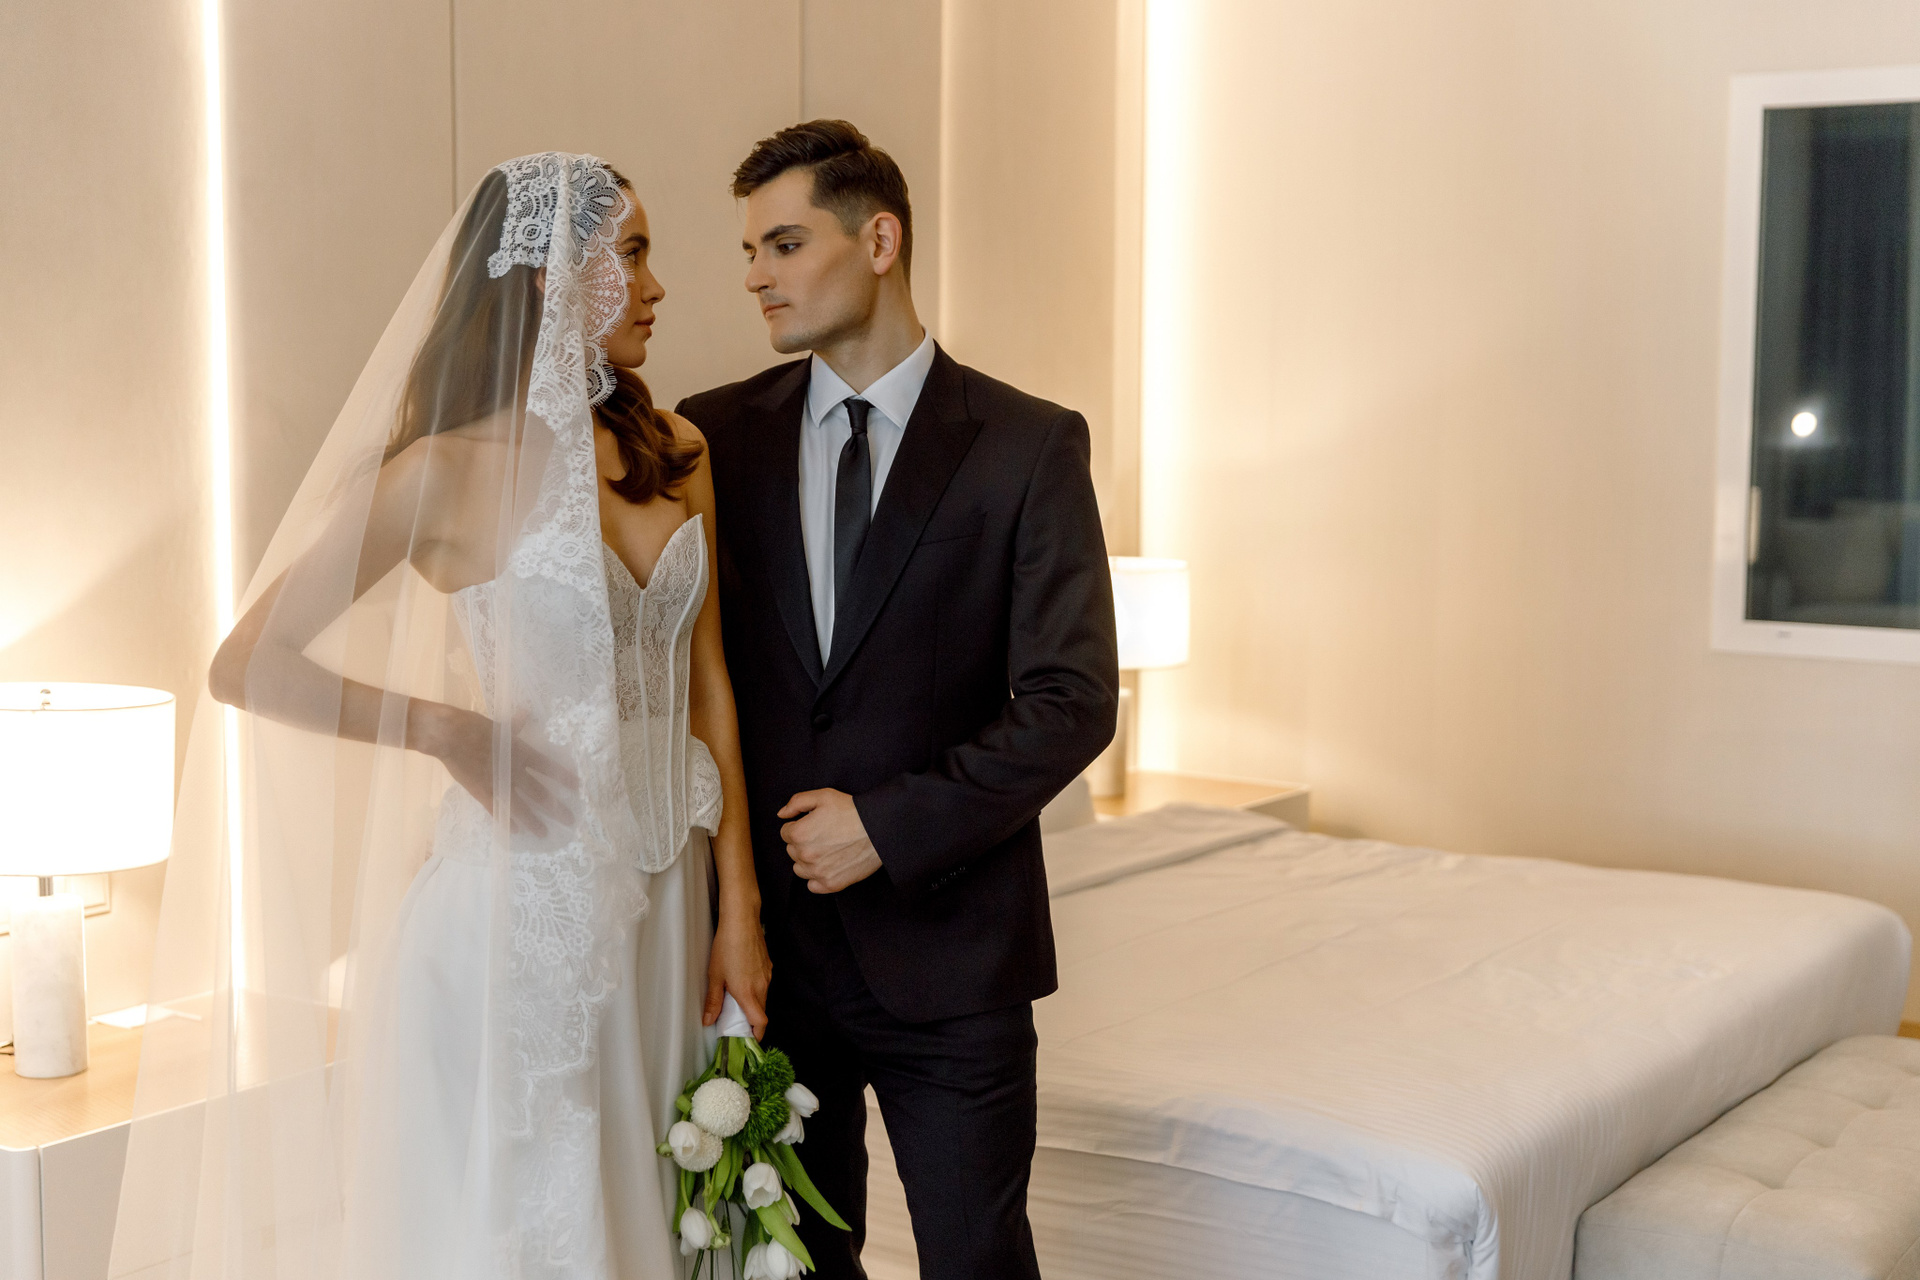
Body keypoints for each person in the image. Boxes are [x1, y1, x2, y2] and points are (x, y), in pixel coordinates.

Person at [109, 153, 771, 1280]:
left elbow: (710, 685)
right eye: (631, 255)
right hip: (518, 912)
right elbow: (246, 663)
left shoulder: (676, 452)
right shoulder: (437, 474)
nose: (657, 287)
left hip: (675, 893)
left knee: (656, 1212)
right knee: (533, 1226)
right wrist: (443, 730)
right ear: (550, 276)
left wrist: (739, 907)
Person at [678, 120, 1119, 1280]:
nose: (756, 275)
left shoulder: (1027, 445)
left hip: (957, 960)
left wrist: (889, 822)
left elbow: (1072, 699)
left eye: (784, 243)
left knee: (978, 1260)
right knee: (797, 1266)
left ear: (879, 240)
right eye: (748, 251)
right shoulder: (710, 435)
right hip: (771, 963)